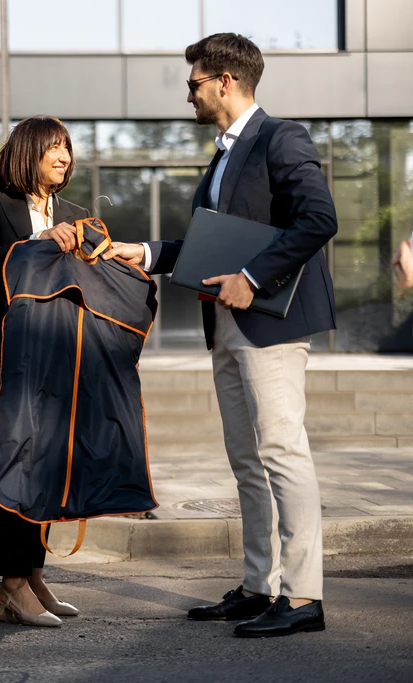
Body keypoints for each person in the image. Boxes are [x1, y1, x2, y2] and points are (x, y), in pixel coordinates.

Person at [103, 33, 337, 638]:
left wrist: (253, 278)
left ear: (225, 81)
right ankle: (260, 585)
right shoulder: (223, 155)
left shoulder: (280, 137)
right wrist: (146, 251)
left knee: (281, 450)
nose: (189, 96)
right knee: (246, 457)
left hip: (272, 318)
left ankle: (302, 595)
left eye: (194, 83)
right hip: (226, 320)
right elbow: (212, 245)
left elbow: (318, 219)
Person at [0, 115, 87, 627]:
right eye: (55, 148)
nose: (64, 157)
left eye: (68, 149)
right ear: (28, 151)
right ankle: (10, 586)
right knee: (11, 459)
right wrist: (41, 241)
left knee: (45, 464)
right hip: (6, 347)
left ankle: (32, 574)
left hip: (58, 349)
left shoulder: (76, 213)